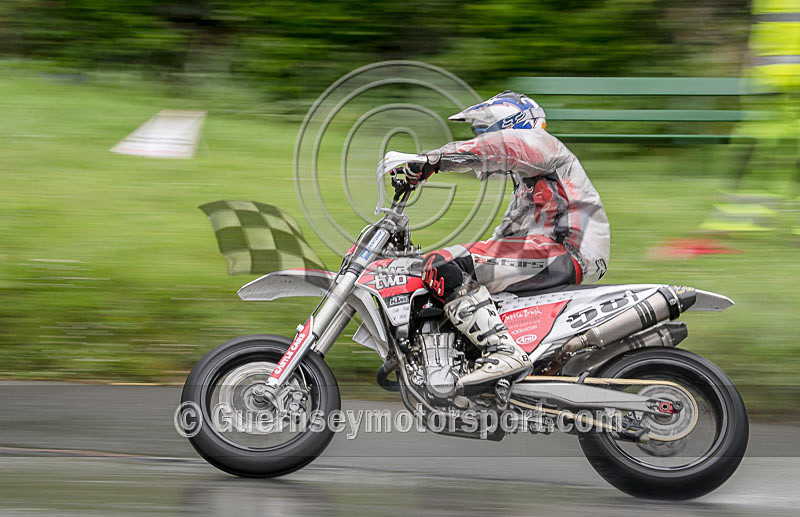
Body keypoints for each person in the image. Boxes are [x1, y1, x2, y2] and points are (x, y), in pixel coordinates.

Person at [388, 91, 610, 389]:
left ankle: (503, 351)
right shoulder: (529, 180)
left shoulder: (542, 144)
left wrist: (435, 160)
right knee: (451, 269)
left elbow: (502, 147)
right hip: (555, 251)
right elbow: (508, 234)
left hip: (565, 250)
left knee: (442, 263)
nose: (479, 137)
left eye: (483, 130)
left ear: (508, 124)